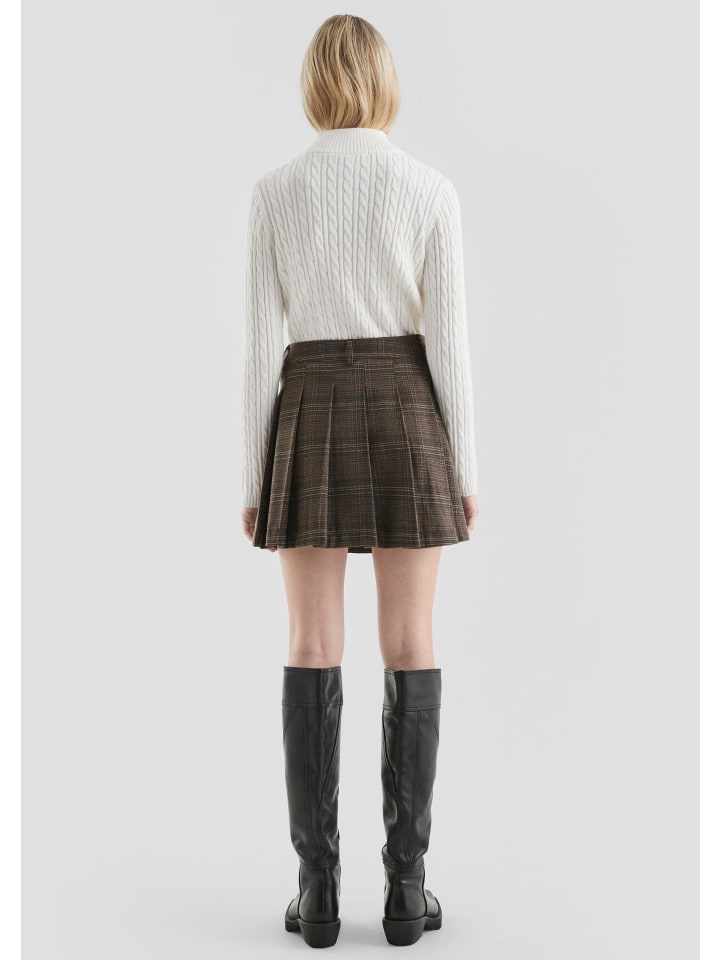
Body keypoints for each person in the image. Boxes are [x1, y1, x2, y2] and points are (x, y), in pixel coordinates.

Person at [240, 14, 479, 949]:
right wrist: (466, 469)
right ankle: (405, 895)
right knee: (411, 639)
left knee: (310, 641)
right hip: (408, 409)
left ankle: (318, 895)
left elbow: (259, 352)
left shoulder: (274, 193)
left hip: (306, 409)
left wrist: (253, 475)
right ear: (384, 82)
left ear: (313, 85)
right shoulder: (429, 189)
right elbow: (450, 348)